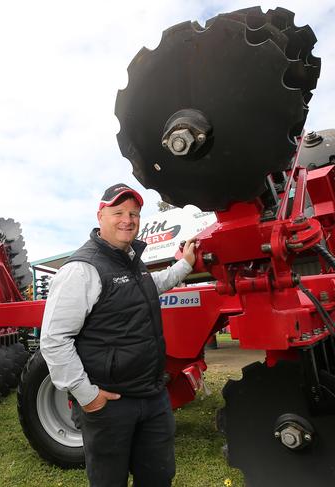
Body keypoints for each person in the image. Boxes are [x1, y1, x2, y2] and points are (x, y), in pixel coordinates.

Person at [40, 183, 196, 487]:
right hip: (110, 403)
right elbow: (54, 340)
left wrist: (186, 264)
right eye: (119, 212)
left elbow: (156, 283)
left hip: (152, 397)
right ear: (101, 215)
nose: (128, 219)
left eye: (134, 214)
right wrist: (88, 396)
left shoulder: (133, 264)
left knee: (158, 477)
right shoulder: (81, 270)